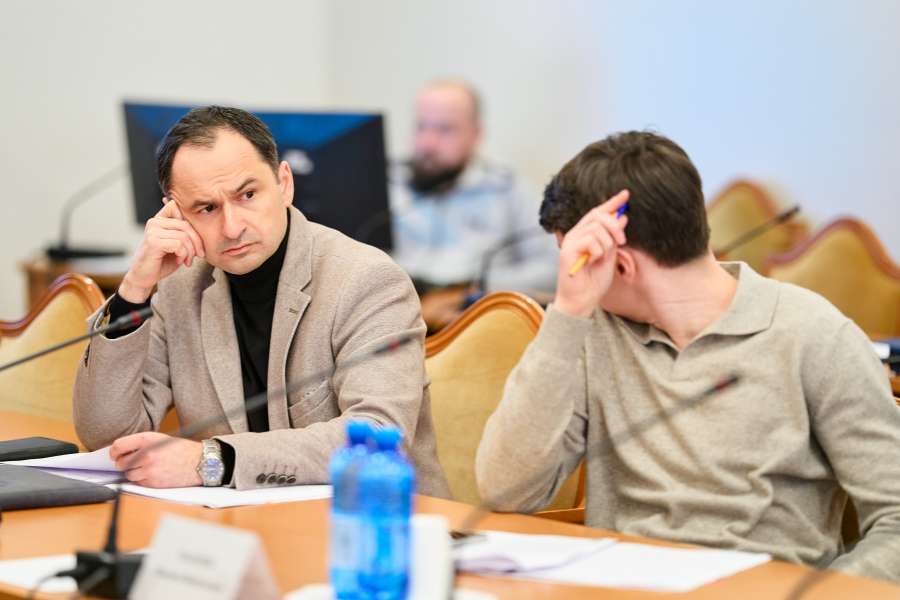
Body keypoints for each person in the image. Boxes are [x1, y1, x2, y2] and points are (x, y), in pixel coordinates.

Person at [476, 131, 900, 581]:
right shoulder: (587, 331)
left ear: (620, 264)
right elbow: (505, 491)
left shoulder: (814, 334)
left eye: (570, 259)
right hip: (618, 589)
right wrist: (566, 313)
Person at [73, 106, 449, 497]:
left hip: (377, 517)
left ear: (284, 183)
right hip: (239, 521)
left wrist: (214, 460)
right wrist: (134, 289)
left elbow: (377, 436)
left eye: (248, 195)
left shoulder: (366, 279)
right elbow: (108, 437)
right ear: (175, 214)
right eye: (206, 208)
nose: (232, 227)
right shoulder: (179, 286)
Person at [389, 80, 556, 328]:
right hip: (396, 309)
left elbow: (553, 269)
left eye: (445, 129)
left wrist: (478, 288)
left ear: (476, 134)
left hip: (473, 315)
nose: (427, 143)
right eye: (421, 127)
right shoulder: (388, 182)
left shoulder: (507, 189)